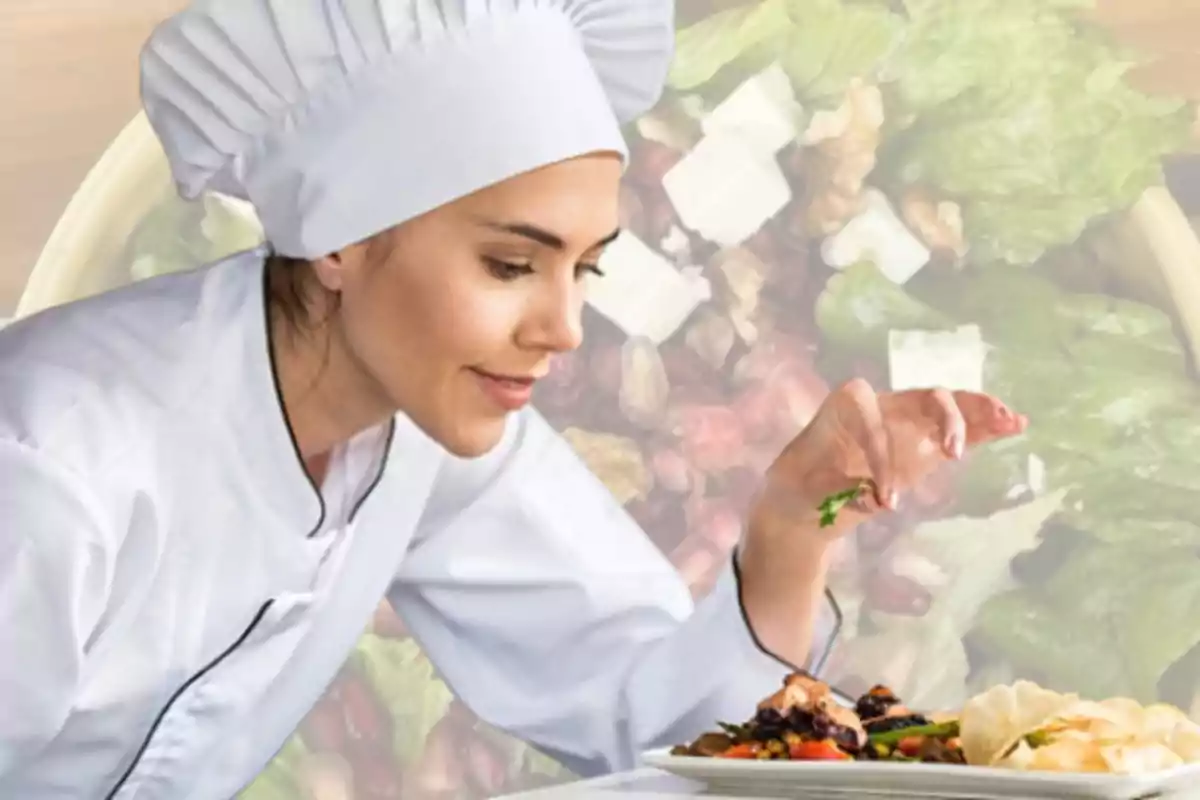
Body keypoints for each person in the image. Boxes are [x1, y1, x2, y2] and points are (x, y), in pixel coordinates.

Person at [0, 0, 1027, 797]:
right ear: (341, 239)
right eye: (507, 263)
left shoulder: (421, 438)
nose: (565, 327)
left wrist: (795, 519)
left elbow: (678, 736)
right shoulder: (51, 464)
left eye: (582, 269)